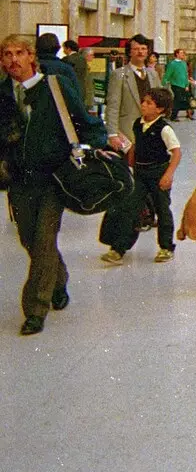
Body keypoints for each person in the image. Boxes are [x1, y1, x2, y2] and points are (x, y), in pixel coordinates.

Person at [1, 34, 116, 334]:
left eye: (18, 53)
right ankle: (58, 279)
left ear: (30, 57)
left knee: (42, 239)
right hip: (19, 181)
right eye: (6, 55)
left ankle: (35, 310)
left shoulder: (55, 87)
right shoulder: (2, 95)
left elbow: (86, 122)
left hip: (55, 179)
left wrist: (98, 144)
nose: (12, 60)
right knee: (30, 240)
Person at [103, 87, 181, 264]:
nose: (143, 105)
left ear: (159, 109)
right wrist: (130, 163)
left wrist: (168, 175)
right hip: (139, 173)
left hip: (158, 173)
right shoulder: (138, 124)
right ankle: (119, 248)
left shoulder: (164, 129)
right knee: (130, 208)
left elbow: (176, 153)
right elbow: (136, 145)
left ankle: (166, 247)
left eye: (149, 103)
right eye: (143, 101)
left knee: (162, 209)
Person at [104, 34, 165, 142]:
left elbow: (160, 100)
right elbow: (113, 106)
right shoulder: (119, 74)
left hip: (151, 130)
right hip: (128, 131)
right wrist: (112, 134)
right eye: (136, 49)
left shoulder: (153, 74)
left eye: (143, 49)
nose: (140, 52)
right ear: (129, 52)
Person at [163, 48, 194, 121]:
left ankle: (189, 114)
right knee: (177, 99)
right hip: (176, 84)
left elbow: (185, 75)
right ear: (177, 54)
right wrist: (164, 82)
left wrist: (186, 84)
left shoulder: (184, 63)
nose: (183, 54)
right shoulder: (172, 64)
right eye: (181, 53)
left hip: (183, 85)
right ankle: (173, 116)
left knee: (186, 99)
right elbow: (168, 74)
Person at [62, 40, 93, 108]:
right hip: (81, 91)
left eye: (64, 48)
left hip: (70, 90)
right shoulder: (83, 59)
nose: (63, 51)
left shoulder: (66, 59)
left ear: (68, 49)